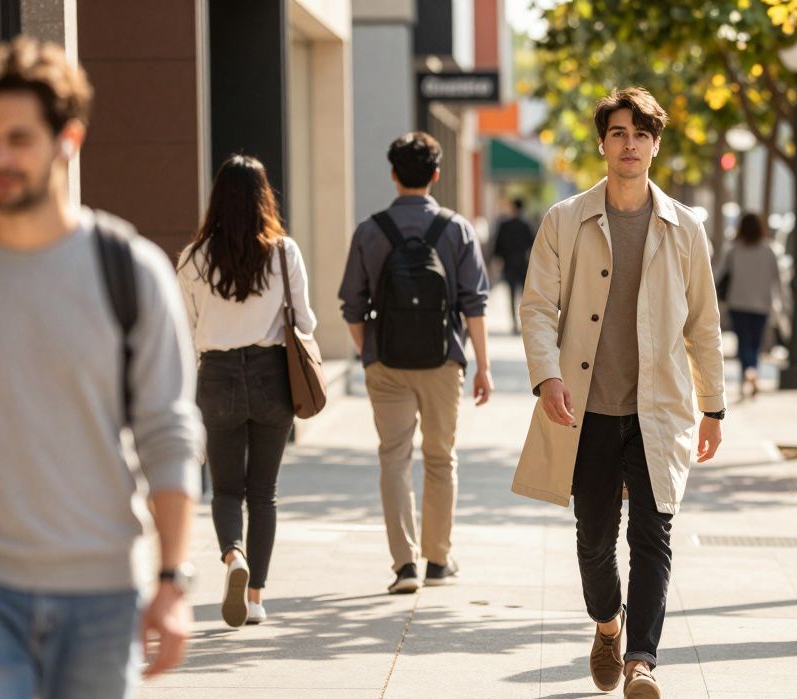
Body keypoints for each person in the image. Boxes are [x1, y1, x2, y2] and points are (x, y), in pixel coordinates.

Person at [0, 37, 202, 699]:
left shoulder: (130, 271)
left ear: (69, 140)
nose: (0, 158)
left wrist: (172, 580)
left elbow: (168, 432)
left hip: (101, 593)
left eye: (19, 139)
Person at [511, 87, 726, 699]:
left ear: (655, 146)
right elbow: (536, 307)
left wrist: (713, 407)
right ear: (603, 144)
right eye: (618, 133)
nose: (629, 144)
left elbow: (704, 325)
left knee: (653, 536)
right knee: (594, 538)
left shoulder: (685, 228)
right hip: (587, 411)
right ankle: (608, 623)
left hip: (660, 411)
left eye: (640, 134)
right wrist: (547, 376)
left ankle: (641, 662)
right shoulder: (565, 220)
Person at [339, 132, 493, 595]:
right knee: (441, 458)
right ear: (436, 175)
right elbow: (475, 304)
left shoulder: (370, 230)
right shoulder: (456, 229)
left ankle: (404, 565)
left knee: (394, 458)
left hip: (386, 362)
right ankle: (438, 560)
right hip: (443, 361)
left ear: (393, 174)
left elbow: (351, 306)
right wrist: (482, 367)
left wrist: (371, 353)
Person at [177, 154, 317, 628]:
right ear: (264, 198)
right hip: (271, 375)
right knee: (263, 493)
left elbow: (184, 333)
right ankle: (255, 597)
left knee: (225, 488)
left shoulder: (193, 258)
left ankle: (232, 555)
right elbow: (306, 322)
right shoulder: (283, 252)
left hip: (216, 377)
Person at [713, 211, 780, 399]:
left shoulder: (733, 249)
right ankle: (753, 372)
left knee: (743, 342)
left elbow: (718, 274)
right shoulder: (768, 249)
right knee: (756, 344)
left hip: (738, 302)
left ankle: (746, 376)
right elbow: (776, 278)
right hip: (761, 304)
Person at [491, 197, 535, 334]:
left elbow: (498, 245)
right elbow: (533, 244)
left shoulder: (505, 225)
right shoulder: (526, 225)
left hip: (509, 264)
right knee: (524, 295)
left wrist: (496, 260)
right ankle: (523, 322)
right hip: (523, 264)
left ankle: (514, 323)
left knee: (511, 293)